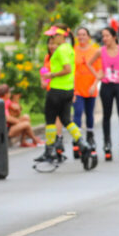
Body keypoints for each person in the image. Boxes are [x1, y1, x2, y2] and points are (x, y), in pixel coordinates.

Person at [35, 24, 97, 169]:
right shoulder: (69, 49)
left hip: (57, 90)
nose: (51, 38)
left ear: (61, 36)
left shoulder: (61, 50)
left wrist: (51, 75)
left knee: (50, 121)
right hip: (68, 90)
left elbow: (67, 69)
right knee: (66, 120)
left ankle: (49, 151)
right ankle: (83, 143)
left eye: (53, 36)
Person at [87, 27, 119, 162]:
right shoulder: (101, 51)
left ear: (114, 37)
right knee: (107, 115)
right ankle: (107, 142)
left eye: (107, 36)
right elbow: (89, 63)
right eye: (103, 36)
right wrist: (97, 75)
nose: (104, 39)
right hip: (106, 86)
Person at [72, 27, 101, 159]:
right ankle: (77, 140)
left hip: (90, 87)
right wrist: (71, 89)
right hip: (77, 88)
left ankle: (90, 136)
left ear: (88, 36)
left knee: (89, 113)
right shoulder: (73, 51)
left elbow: (99, 70)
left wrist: (94, 85)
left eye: (84, 34)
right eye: (79, 35)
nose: (81, 37)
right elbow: (71, 70)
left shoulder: (94, 51)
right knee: (77, 113)